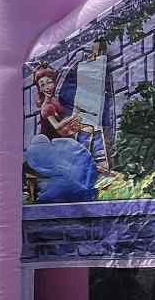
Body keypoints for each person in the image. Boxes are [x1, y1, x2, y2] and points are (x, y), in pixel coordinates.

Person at [24, 65, 99, 203]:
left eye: (49, 82)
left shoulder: (54, 101)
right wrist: (73, 116)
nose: (47, 87)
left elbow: (62, 125)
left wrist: (75, 121)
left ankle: (83, 189)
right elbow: (57, 126)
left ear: (54, 82)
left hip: (60, 142)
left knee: (84, 147)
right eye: (42, 84)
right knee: (74, 163)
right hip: (49, 147)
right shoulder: (47, 107)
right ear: (39, 88)